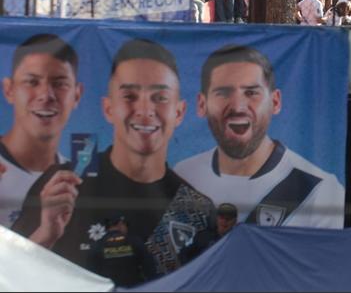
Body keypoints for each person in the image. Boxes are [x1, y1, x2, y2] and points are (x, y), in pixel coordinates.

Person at [13, 39, 213, 275]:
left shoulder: (195, 209)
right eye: (129, 96)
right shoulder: (61, 185)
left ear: (178, 112)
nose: (145, 110)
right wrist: (45, 234)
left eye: (160, 98)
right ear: (108, 108)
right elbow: (11, 277)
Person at [174, 45, 345, 228]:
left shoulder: (320, 192)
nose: (238, 107)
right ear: (202, 104)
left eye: (251, 93)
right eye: (223, 93)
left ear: (275, 102)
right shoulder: (183, 176)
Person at [0, 35, 83, 228]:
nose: (46, 96)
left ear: (77, 95)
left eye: (59, 83)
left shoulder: (77, 178)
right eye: (32, 82)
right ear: (9, 90)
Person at [88, 215, 156, 286]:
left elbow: (91, 273)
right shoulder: (134, 241)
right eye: (125, 225)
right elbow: (149, 267)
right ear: (120, 224)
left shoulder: (97, 245)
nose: (126, 228)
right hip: (133, 288)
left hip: (109, 289)